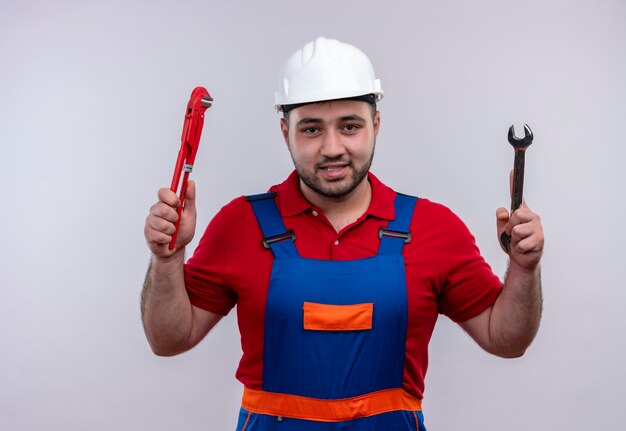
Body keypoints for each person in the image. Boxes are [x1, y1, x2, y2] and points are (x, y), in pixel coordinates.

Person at [141, 37, 544, 431]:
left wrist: (524, 269)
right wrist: (167, 259)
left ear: (376, 125)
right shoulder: (240, 224)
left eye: (350, 126)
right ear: (286, 132)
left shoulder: (432, 227)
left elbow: (504, 339)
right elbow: (168, 340)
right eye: (312, 130)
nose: (332, 147)